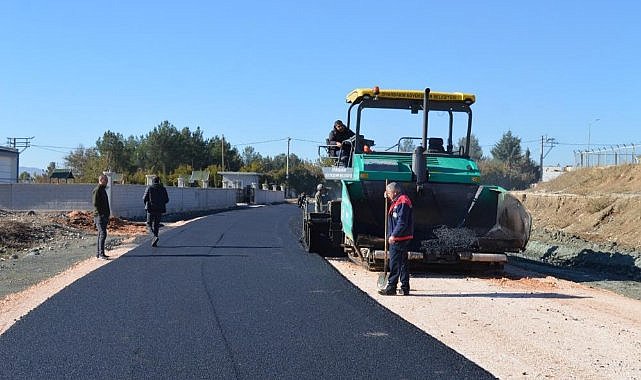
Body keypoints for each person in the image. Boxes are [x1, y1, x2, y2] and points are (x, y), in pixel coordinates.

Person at [379, 182, 414, 296]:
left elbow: (402, 222)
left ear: (394, 192)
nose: (388, 195)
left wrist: (393, 235)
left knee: (394, 263)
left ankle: (391, 287)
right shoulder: (398, 200)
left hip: (399, 238)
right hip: (401, 237)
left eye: (389, 193)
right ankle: (405, 287)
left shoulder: (403, 201)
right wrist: (387, 195)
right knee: (403, 263)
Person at [143, 176, 169, 247]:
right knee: (156, 225)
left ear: (153, 181)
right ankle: (155, 241)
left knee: (149, 224)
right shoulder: (163, 189)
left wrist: (147, 204)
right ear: (159, 181)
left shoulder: (149, 188)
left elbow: (144, 198)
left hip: (151, 209)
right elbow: (167, 200)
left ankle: (154, 237)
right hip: (159, 210)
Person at [92, 174, 111, 260]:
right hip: (99, 216)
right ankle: (101, 254)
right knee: (103, 233)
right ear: (101, 180)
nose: (107, 182)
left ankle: (99, 253)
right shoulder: (97, 190)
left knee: (101, 234)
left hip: (104, 215)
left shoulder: (103, 190)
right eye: (106, 180)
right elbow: (95, 204)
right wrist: (101, 214)